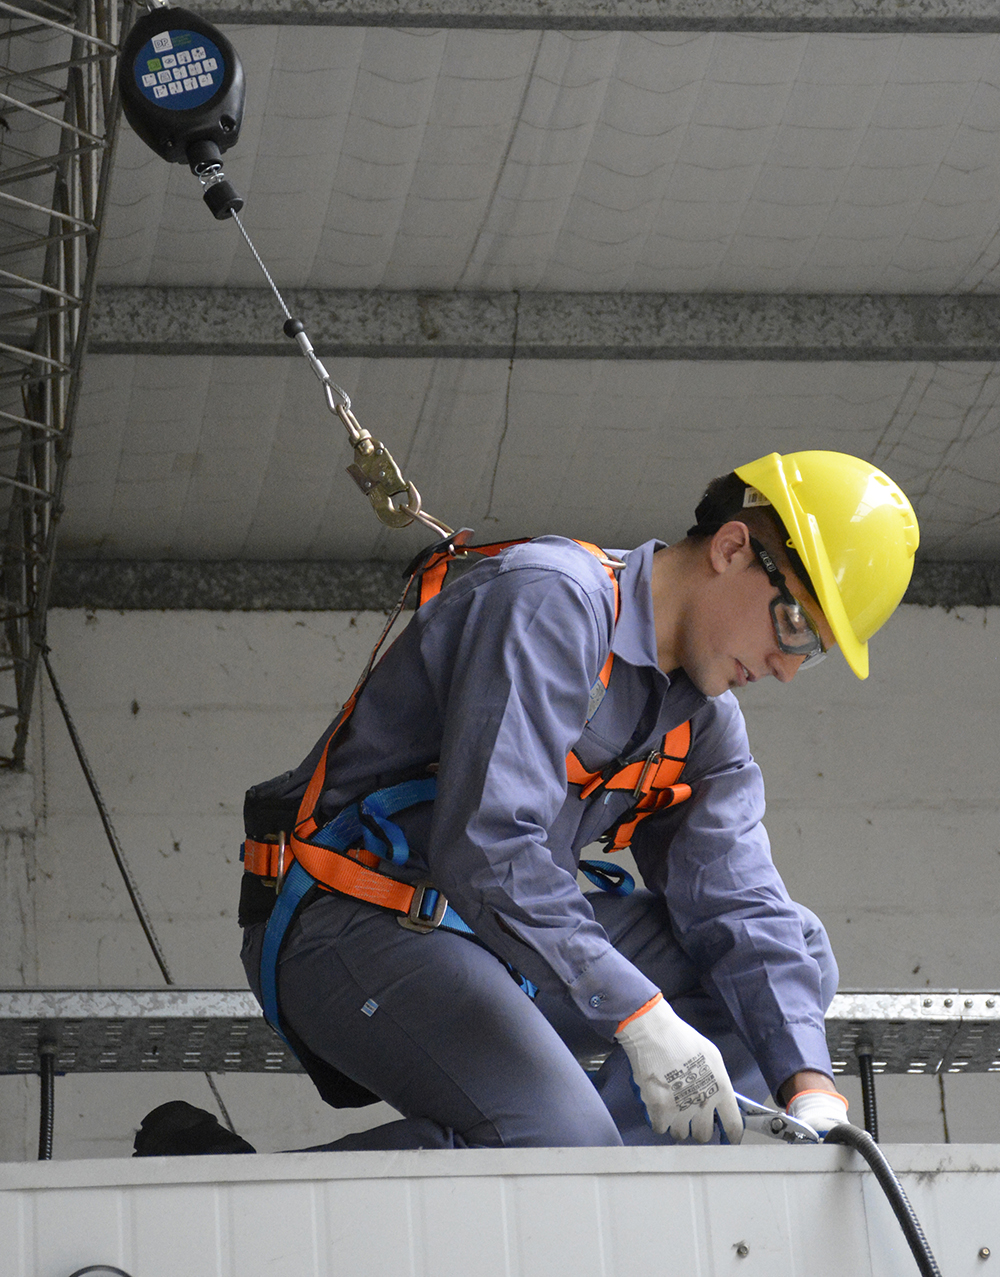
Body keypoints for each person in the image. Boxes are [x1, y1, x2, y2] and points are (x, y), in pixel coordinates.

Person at [135, 449, 919, 1156]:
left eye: (814, 653)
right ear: (732, 548)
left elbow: (741, 903)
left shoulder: (702, 720)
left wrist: (810, 1085)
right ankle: (224, 1195)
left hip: (483, 934)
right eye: (794, 625)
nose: (788, 666)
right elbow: (488, 846)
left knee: (792, 952)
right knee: (561, 1143)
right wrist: (641, 1015)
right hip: (355, 915)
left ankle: (591, 1167)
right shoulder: (554, 600)